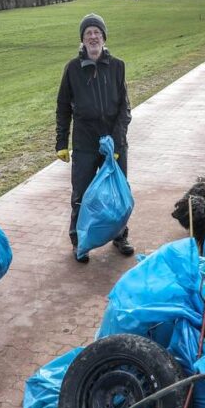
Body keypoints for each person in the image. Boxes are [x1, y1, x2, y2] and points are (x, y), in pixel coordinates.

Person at [56, 13, 134, 264]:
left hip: (114, 142)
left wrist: (116, 141)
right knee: (81, 193)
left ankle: (120, 236)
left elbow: (125, 108)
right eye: (88, 33)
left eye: (97, 32)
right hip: (85, 143)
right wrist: (61, 142)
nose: (93, 37)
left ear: (104, 37)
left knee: (118, 192)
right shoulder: (72, 69)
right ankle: (79, 240)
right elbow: (63, 107)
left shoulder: (118, 66)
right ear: (82, 39)